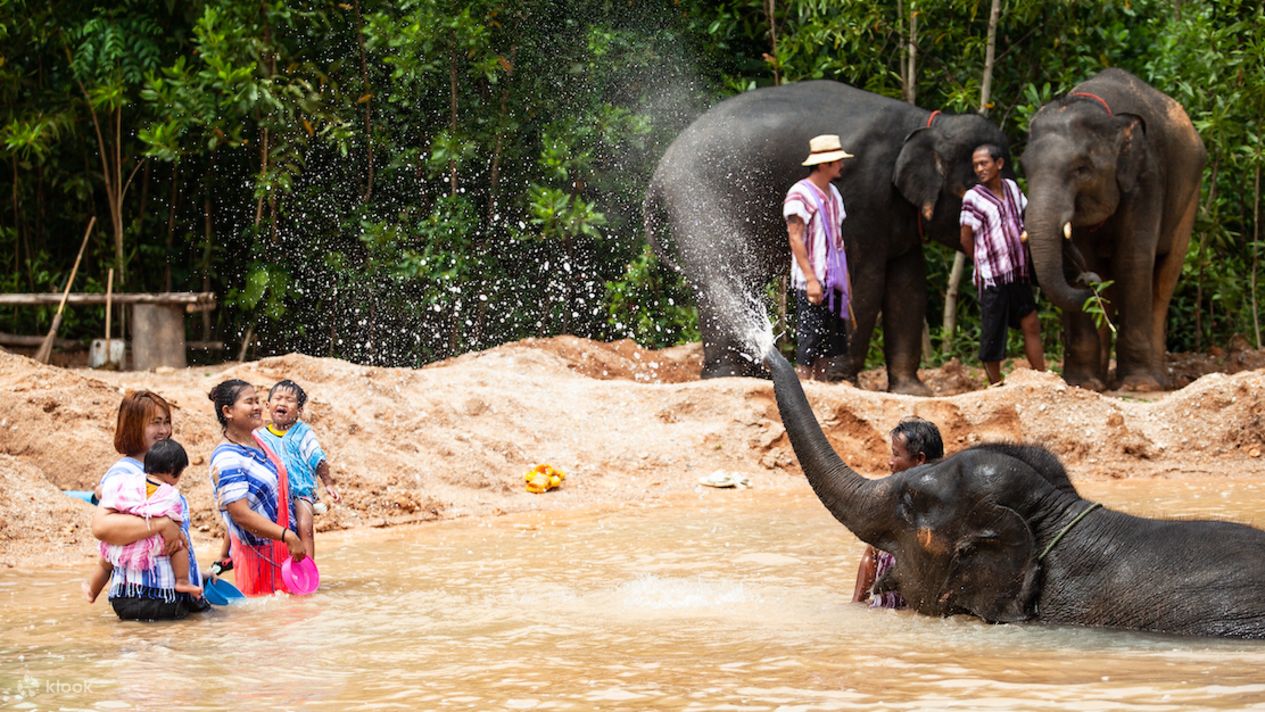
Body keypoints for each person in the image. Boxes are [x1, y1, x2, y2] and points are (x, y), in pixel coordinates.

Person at [89, 390, 209, 620]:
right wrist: (161, 524)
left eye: (166, 422)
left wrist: (194, 573)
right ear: (134, 427)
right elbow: (102, 528)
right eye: (155, 423)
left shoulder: (158, 471)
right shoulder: (124, 473)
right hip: (147, 596)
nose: (164, 430)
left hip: (170, 592)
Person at [208, 379, 306, 596]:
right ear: (228, 411)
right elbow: (239, 513)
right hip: (259, 557)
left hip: (283, 551)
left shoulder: (258, 441)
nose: (258, 407)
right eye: (249, 402)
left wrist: (224, 553)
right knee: (263, 624)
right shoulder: (227, 458)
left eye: (258, 401)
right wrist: (287, 536)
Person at [960, 143, 1046, 385]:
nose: (979, 169)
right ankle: (996, 385)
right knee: (993, 333)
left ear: (999, 164)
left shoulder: (1011, 188)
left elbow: (1027, 214)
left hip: (1018, 272)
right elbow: (965, 237)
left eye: (984, 163)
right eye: (976, 165)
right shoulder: (973, 198)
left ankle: (1042, 379)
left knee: (1030, 323)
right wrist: (981, 261)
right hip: (993, 276)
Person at [84, 439, 202, 603]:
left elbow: (106, 491)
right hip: (153, 546)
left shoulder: (125, 482)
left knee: (105, 562)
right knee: (180, 547)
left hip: (122, 545)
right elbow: (175, 522)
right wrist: (179, 534)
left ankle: (91, 592)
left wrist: (99, 491)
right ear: (174, 471)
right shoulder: (170, 494)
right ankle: (182, 581)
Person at [851, 417, 944, 609]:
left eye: (896, 455)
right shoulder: (892, 499)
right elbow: (871, 554)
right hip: (883, 612)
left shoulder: (944, 506)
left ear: (919, 460)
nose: (890, 462)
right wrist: (856, 604)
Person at [784, 133, 855, 381]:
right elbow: (795, 238)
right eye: (837, 161)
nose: (841, 165)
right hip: (811, 280)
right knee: (810, 338)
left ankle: (821, 387)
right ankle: (804, 386)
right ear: (824, 165)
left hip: (833, 277)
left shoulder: (834, 194)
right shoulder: (799, 194)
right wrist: (811, 279)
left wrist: (845, 281)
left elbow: (838, 240)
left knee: (829, 340)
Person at [255, 379, 341, 560]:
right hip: (273, 495)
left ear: (300, 410)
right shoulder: (259, 436)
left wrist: (328, 484)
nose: (282, 403)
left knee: (305, 528)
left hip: (300, 492)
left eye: (289, 400)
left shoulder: (304, 433)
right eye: (278, 398)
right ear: (268, 405)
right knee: (272, 531)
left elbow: (318, 457)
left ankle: (308, 569)